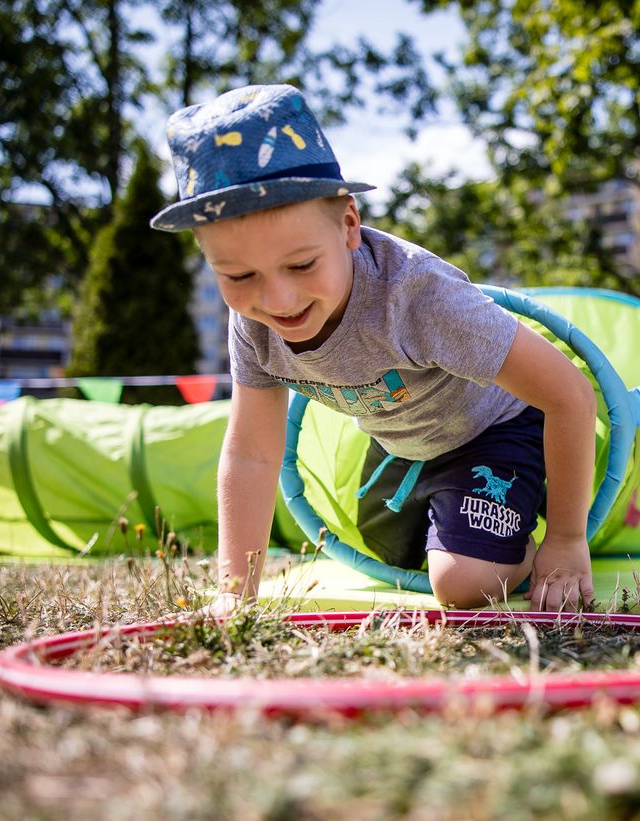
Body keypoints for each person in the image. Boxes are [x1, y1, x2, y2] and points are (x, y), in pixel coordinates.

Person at [150, 84, 598, 612]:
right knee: (389, 553)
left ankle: (526, 525)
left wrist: (567, 541)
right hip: (396, 446)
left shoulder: (417, 298)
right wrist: (235, 594)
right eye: (239, 274)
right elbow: (251, 451)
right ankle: (457, 522)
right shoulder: (253, 320)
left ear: (348, 225)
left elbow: (569, 394)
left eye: (301, 265)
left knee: (461, 583)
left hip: (492, 432)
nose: (278, 298)